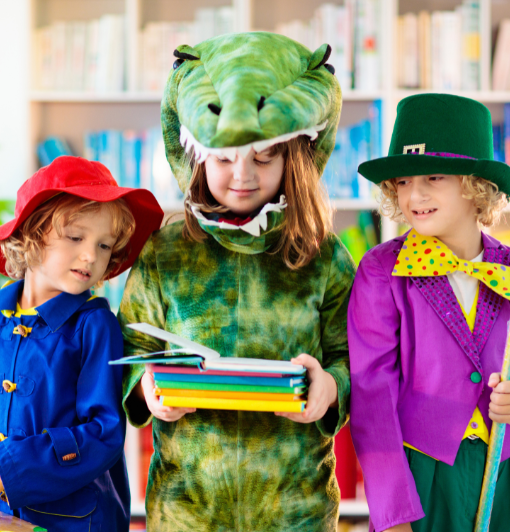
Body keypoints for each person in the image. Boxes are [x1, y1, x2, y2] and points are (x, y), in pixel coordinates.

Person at [118, 32, 355, 531]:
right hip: (187, 511)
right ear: (196, 154)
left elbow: (352, 356)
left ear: (294, 154)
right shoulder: (163, 253)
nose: (242, 174)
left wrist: (331, 387)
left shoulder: (325, 256)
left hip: (297, 511)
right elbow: (132, 351)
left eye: (263, 156)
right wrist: (148, 391)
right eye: (225, 157)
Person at [348, 93, 510, 532]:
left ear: (476, 186)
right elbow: (372, 401)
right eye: (404, 182)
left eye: (433, 176)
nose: (415, 195)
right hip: (419, 477)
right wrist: (394, 513)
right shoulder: (380, 272)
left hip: (502, 474)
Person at [0, 156, 163, 532]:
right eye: (75, 237)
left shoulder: (95, 326)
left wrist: (13, 467)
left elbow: (103, 432)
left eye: (104, 246)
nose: (91, 255)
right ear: (32, 235)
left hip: (74, 522)